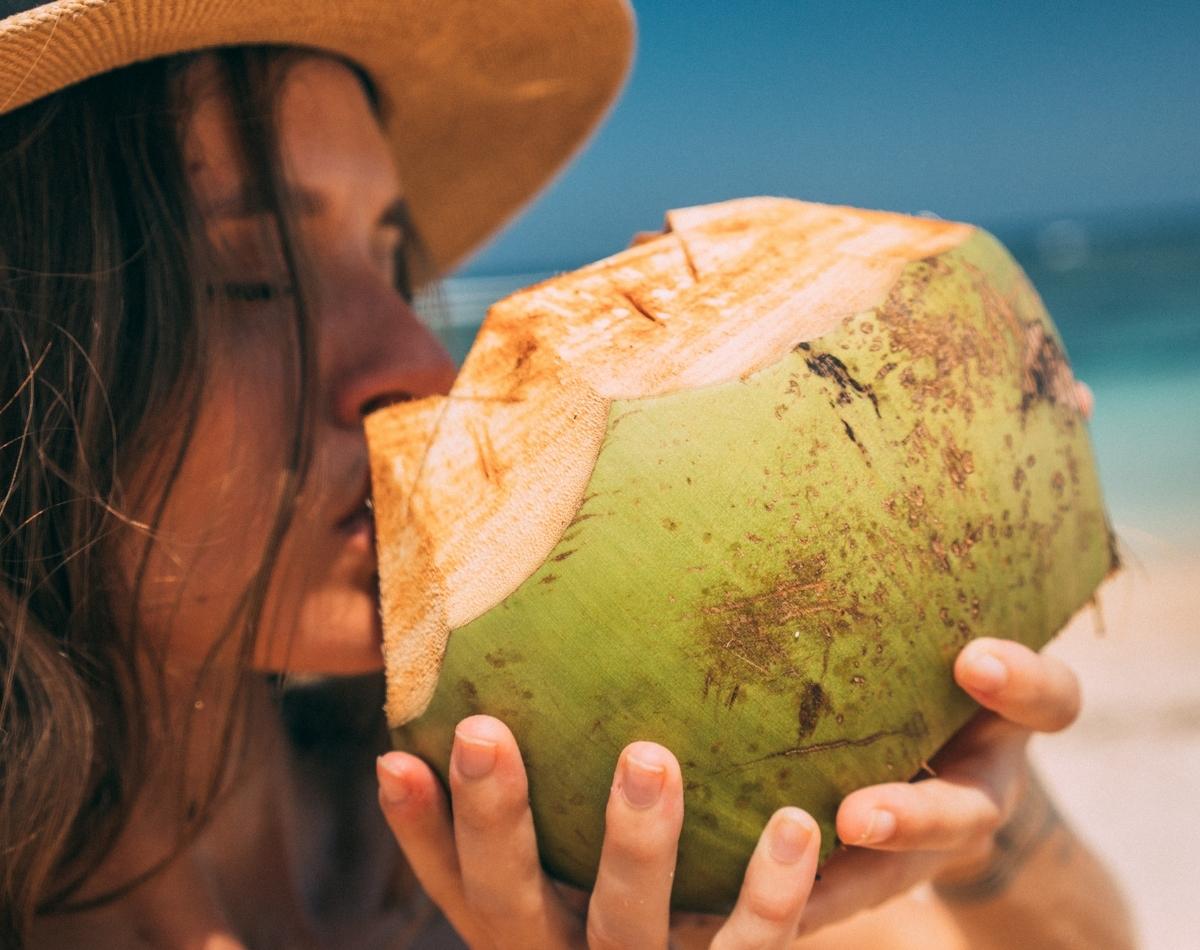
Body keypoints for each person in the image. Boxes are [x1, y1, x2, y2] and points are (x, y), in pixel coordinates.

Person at [0, 2, 1135, 947]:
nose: (416, 364)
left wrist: (987, 813)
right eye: (248, 274)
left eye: (396, 262)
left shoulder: (580, 813)